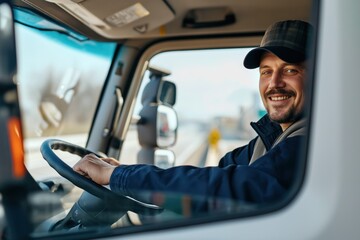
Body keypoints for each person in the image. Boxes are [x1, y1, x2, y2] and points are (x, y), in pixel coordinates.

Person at [73, 20, 313, 212]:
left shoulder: (308, 143)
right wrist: (124, 170)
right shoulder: (268, 139)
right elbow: (208, 180)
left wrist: (118, 176)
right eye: (266, 72)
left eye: (290, 70)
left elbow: (232, 188)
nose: (274, 83)